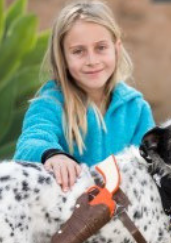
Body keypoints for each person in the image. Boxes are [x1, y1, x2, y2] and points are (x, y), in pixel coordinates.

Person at [13, 0, 155, 192]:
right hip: (66, 215)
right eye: (78, 51)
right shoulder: (50, 103)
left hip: (122, 215)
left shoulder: (136, 109)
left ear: (116, 48)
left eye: (101, 48)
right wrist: (53, 155)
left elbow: (151, 162)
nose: (92, 60)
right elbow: (32, 140)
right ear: (62, 58)